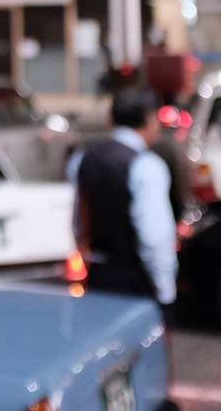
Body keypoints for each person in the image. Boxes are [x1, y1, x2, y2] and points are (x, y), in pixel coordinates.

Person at [71, 86, 178, 321]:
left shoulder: (83, 158)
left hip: (98, 274)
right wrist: (165, 291)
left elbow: (80, 220)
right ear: (150, 120)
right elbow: (154, 237)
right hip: (135, 277)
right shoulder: (147, 165)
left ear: (111, 119)